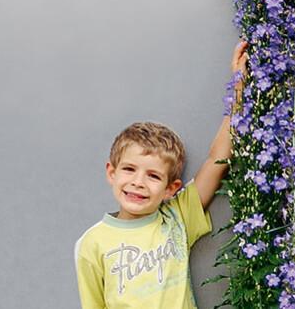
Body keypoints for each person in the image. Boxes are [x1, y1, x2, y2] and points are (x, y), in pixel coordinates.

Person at [74, 43, 248, 309]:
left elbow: (217, 159)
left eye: (154, 176)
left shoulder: (177, 218)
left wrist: (238, 88)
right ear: (111, 172)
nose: (138, 182)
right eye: (129, 169)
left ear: (170, 188)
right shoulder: (92, 243)